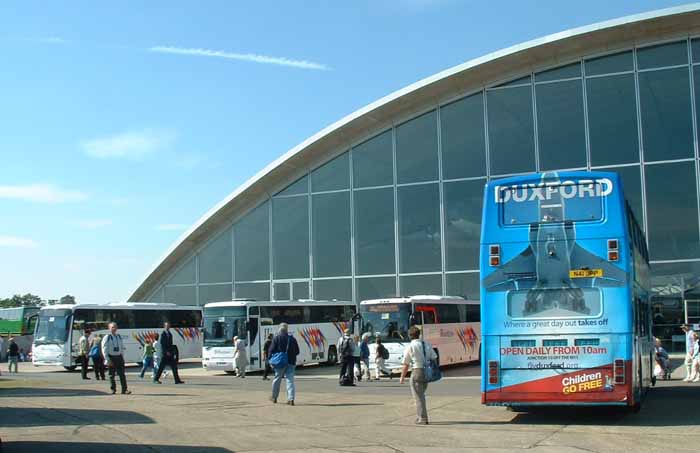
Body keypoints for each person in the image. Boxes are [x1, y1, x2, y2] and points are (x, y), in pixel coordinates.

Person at [400, 325, 437, 425]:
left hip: (416, 371)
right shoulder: (426, 344)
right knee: (421, 395)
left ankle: (422, 418)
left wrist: (402, 377)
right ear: (419, 335)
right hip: (426, 372)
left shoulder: (410, 346)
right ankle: (419, 416)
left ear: (409, 336)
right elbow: (434, 357)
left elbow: (406, 364)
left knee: (418, 397)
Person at [268, 323, 300, 405]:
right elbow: (297, 351)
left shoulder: (276, 338)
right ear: (287, 330)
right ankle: (291, 399)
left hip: (280, 363)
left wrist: (270, 360)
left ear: (279, 329)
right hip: (291, 362)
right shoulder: (292, 339)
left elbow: (271, 350)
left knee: (277, 379)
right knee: (290, 380)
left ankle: (274, 397)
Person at [101, 322, 131, 395]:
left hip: (119, 357)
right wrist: (107, 359)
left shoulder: (118, 336)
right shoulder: (107, 337)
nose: (114, 328)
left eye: (115, 327)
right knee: (111, 374)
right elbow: (104, 348)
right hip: (111, 357)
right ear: (109, 328)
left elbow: (121, 347)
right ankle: (113, 389)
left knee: (122, 374)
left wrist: (122, 356)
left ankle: (124, 389)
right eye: (112, 327)